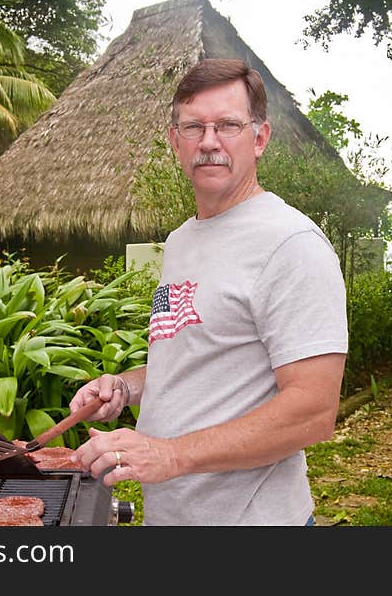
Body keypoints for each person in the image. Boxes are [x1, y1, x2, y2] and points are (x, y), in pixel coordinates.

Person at [71, 58, 348, 525]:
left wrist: (171, 456)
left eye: (228, 125)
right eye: (194, 127)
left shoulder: (291, 243)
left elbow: (314, 411)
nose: (210, 142)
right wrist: (125, 387)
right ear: (174, 140)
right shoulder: (181, 240)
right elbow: (190, 359)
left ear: (259, 138)